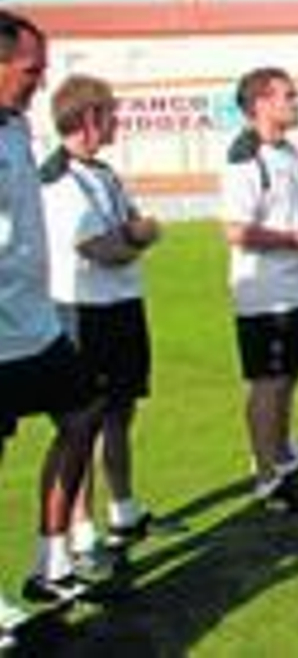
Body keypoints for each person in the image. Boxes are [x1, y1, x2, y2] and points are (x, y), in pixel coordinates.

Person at [0, 10, 103, 608]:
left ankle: (51, 561)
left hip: (35, 325)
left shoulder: (17, 127)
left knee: (84, 413)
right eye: (30, 69)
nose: (40, 82)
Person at [40, 76, 161, 574]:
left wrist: (132, 233)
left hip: (123, 304)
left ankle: (124, 510)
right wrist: (139, 235)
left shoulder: (105, 173)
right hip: (83, 310)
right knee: (83, 422)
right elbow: (100, 248)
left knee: (121, 411)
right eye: (112, 113)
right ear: (90, 118)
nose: (118, 122)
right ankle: (82, 529)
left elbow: (128, 224)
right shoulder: (58, 179)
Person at [221, 67, 298, 514]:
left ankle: (285, 458)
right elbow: (235, 231)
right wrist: (297, 239)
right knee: (267, 384)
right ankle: (267, 478)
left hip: (294, 285)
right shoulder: (244, 158)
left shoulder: (287, 150)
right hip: (264, 293)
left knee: (288, 376)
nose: (296, 102)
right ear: (261, 104)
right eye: (288, 96)